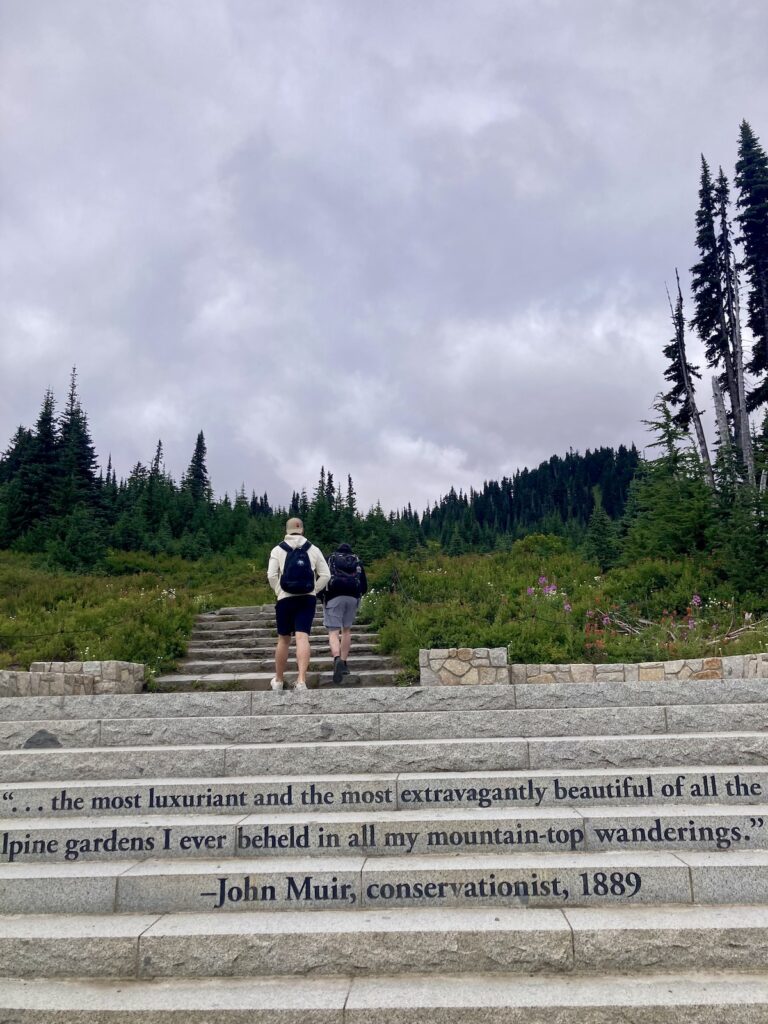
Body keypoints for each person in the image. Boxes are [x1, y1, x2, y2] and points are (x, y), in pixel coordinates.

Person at [267, 517, 330, 691]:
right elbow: (326, 574)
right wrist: (314, 590)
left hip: (285, 599)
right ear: (302, 530)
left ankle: (278, 680)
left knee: (284, 639)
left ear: (286, 531)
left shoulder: (278, 549)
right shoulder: (313, 549)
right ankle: (301, 680)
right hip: (306, 598)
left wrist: (280, 591)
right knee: (302, 637)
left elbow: (271, 575)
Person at [323, 542, 367, 684]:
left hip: (334, 597)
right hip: (352, 597)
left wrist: (322, 597)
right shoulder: (356, 559)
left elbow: (323, 577)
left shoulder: (331, 558)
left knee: (334, 632)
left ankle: (336, 659)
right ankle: (344, 662)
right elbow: (364, 584)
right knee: (346, 630)